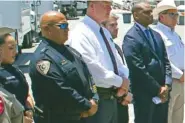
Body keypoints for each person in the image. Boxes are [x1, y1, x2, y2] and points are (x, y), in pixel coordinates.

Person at [29, 11, 99, 123]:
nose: (67, 29)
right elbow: (60, 89)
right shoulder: (43, 59)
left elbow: (88, 77)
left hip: (79, 116)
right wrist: (87, 105)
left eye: (67, 25)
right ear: (47, 29)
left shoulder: (70, 51)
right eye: (62, 26)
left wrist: (95, 98)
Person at [68, 0, 132, 123]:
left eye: (110, 5)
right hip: (98, 98)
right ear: (92, 6)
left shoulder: (103, 31)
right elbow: (91, 69)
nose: (110, 9)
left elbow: (118, 60)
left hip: (113, 96)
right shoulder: (81, 33)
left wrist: (124, 81)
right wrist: (120, 81)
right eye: (105, 5)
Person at [122, 2, 172, 123]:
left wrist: (167, 85)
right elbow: (137, 68)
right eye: (146, 12)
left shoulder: (156, 35)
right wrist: (157, 89)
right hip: (145, 95)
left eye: (151, 11)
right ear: (136, 15)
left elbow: (166, 61)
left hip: (163, 94)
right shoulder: (131, 37)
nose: (151, 15)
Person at [153, 0, 184, 123]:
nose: (176, 17)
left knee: (178, 116)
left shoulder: (175, 35)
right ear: (162, 16)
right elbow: (161, 59)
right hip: (169, 81)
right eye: (172, 14)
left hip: (181, 81)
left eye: (177, 14)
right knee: (167, 116)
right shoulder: (157, 34)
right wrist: (179, 74)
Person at [0, 28, 34, 123]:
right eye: (11, 48)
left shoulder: (15, 69)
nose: (15, 52)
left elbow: (25, 94)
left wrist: (29, 109)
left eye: (16, 48)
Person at [101, 13, 129, 123]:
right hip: (111, 97)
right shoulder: (100, 48)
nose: (116, 28)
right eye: (112, 25)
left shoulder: (116, 46)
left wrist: (127, 92)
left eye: (116, 25)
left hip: (123, 99)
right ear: (102, 27)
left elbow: (124, 70)